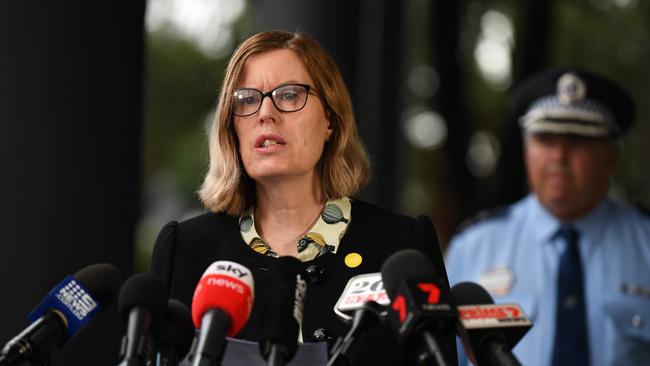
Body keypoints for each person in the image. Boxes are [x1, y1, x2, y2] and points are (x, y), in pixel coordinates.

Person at [150, 30, 455, 365]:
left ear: (330, 120)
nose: (265, 113)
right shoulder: (186, 250)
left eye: (290, 95)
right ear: (231, 126)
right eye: (247, 99)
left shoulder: (401, 247)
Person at [445, 67, 650, 366]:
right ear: (526, 149)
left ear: (611, 156)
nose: (559, 157)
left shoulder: (645, 242)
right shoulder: (474, 245)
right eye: (545, 139)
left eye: (578, 141)